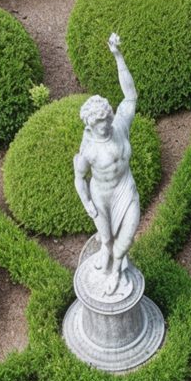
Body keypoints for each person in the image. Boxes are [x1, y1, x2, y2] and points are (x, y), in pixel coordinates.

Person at [73, 32, 141, 281]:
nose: (105, 124)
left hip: (125, 189)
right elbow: (79, 178)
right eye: (100, 122)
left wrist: (118, 56)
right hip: (101, 196)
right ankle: (105, 251)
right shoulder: (88, 150)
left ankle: (118, 261)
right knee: (107, 239)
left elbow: (130, 96)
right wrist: (87, 203)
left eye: (106, 118)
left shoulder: (120, 126)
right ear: (90, 126)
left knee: (127, 236)